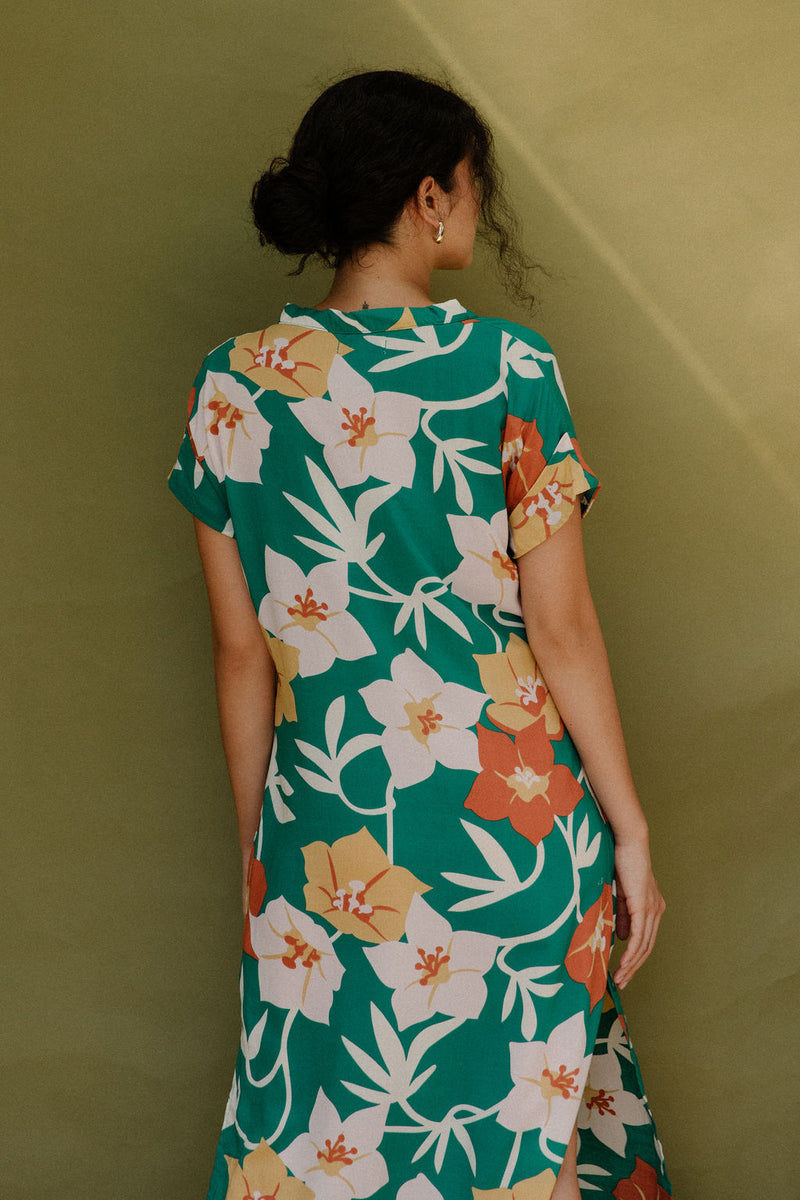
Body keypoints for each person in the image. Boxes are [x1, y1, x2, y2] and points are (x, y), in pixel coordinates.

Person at [168, 69, 670, 1200]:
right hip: (514, 824)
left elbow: (241, 651)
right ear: (428, 196)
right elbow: (563, 628)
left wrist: (266, 847)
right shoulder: (508, 371)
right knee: (517, 1134)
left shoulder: (229, 391)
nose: (479, 216)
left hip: (329, 843)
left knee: (329, 1135)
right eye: (473, 190)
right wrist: (628, 832)